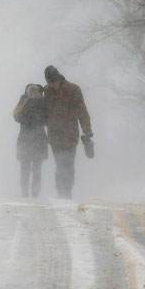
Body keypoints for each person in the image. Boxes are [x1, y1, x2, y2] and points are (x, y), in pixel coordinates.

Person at [43, 65, 93, 199]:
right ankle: (60, 191)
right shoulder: (46, 91)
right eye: (49, 82)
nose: (52, 85)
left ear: (59, 78)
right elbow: (43, 111)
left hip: (70, 134)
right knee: (59, 164)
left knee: (68, 165)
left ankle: (68, 191)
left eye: (53, 81)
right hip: (54, 135)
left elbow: (82, 111)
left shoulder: (73, 89)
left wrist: (87, 130)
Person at [13, 84, 48, 197]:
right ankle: (27, 193)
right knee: (28, 169)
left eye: (35, 92)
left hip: (31, 139)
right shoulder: (24, 101)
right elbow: (16, 116)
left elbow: (46, 118)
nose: (33, 94)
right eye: (30, 92)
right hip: (30, 140)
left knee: (32, 169)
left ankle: (33, 193)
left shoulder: (42, 102)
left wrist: (30, 117)